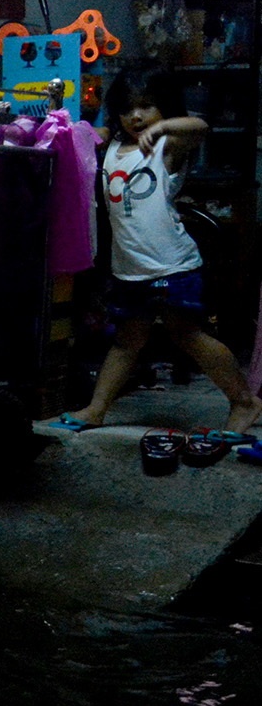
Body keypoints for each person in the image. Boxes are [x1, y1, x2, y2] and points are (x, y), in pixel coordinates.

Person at [58, 73, 261, 436]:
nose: (136, 116)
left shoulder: (166, 146)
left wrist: (163, 126)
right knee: (127, 341)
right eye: (127, 109)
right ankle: (96, 409)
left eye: (146, 106)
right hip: (130, 268)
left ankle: (244, 402)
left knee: (187, 335)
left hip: (172, 264)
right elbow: (84, 135)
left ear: (165, 107)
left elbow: (201, 127)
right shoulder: (113, 146)